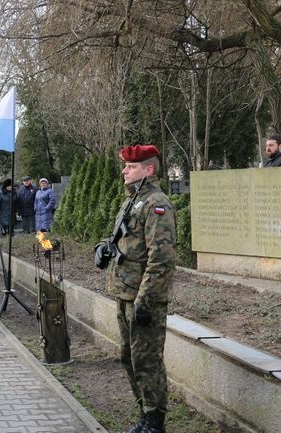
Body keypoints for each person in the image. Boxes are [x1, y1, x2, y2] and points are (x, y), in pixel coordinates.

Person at [94, 144, 176, 433]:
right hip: (124, 293)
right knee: (128, 357)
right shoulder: (132, 200)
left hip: (143, 299)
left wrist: (146, 300)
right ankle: (144, 414)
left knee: (147, 360)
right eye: (126, 166)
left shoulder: (157, 204)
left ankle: (155, 422)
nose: (124, 170)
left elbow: (161, 259)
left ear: (148, 170)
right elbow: (127, 240)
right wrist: (104, 247)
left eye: (131, 166)